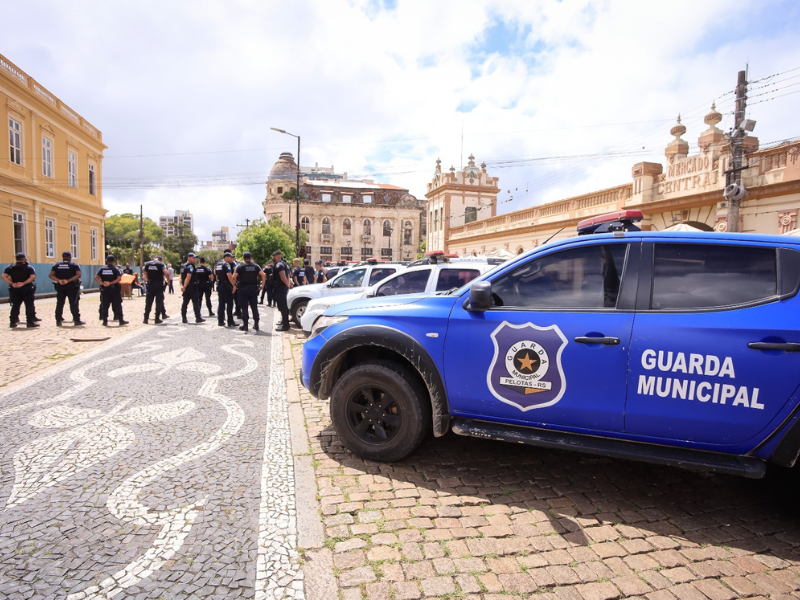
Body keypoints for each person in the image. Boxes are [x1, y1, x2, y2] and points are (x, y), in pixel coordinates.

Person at [3, 252, 38, 328]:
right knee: (29, 305)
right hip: (26, 288)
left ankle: (12, 322)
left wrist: (12, 283)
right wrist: (24, 283)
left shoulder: (10, 267)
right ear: (23, 259)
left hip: (15, 288)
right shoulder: (28, 267)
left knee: (15, 305)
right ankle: (29, 322)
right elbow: (32, 277)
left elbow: (3, 276)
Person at [232, 251, 265, 333]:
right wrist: (262, 286)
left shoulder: (240, 266)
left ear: (243, 258)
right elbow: (263, 275)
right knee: (254, 307)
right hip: (253, 289)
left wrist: (234, 285)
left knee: (244, 307)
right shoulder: (255, 266)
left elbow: (234, 277)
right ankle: (256, 324)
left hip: (243, 289)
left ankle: (245, 325)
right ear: (250, 258)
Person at [50, 251, 84, 326]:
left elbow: (51, 275)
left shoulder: (57, 265)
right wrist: (68, 281)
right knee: (73, 303)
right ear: (70, 257)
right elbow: (78, 275)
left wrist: (59, 280)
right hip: (72, 286)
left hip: (60, 286)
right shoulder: (74, 264)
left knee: (60, 304)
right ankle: (76, 320)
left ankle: (58, 320)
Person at [94, 255, 128, 326]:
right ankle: (121, 320)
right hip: (114, 289)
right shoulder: (115, 269)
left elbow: (96, 278)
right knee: (117, 305)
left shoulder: (102, 269)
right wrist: (110, 283)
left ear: (107, 260)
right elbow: (119, 278)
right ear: (113, 261)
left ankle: (105, 321)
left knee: (105, 305)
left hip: (105, 289)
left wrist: (102, 283)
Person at [214, 252, 238, 327]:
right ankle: (230, 321)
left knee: (221, 304)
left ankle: (220, 321)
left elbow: (216, 275)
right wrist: (234, 285)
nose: (231, 259)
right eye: (230, 257)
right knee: (230, 304)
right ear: (226, 257)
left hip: (220, 285)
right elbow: (229, 276)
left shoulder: (218, 264)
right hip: (226, 286)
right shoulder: (226, 264)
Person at [142, 255, 168, 324]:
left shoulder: (147, 264)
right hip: (158, 285)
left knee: (148, 302)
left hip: (150, 284)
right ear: (159, 259)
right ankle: (157, 318)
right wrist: (168, 281)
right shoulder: (161, 264)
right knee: (158, 302)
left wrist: (147, 281)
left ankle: (145, 318)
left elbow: (144, 275)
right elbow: (166, 272)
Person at [180, 253, 204, 323]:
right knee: (195, 302)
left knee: (185, 303)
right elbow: (188, 277)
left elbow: (181, 277)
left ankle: (184, 318)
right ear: (189, 258)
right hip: (192, 287)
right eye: (193, 258)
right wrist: (184, 286)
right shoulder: (190, 266)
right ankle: (198, 318)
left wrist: (182, 286)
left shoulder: (183, 266)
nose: (194, 259)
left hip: (186, 287)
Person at [272, 250, 293, 331]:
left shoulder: (279, 265)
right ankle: (284, 322)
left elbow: (282, 276)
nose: (273, 258)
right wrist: (288, 283)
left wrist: (287, 284)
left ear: (277, 256)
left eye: (274, 256)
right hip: (282, 287)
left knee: (282, 306)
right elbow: (288, 275)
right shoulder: (284, 264)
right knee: (283, 306)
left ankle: (285, 325)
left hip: (280, 288)